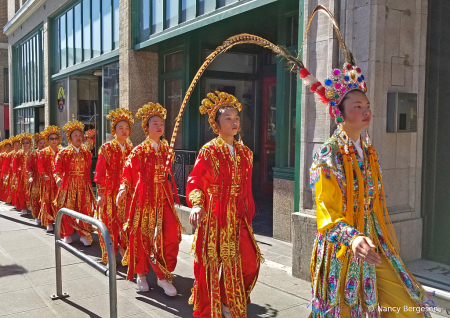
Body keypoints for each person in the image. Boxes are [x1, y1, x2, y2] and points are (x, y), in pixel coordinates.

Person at [299, 61, 432, 317]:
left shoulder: (368, 151)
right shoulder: (328, 154)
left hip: (374, 237)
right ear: (340, 113)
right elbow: (326, 213)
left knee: (409, 305)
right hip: (343, 245)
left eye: (367, 106)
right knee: (347, 308)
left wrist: (370, 234)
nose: (365, 111)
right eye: (357, 107)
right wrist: (352, 238)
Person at [186, 92, 263, 318]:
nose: (234, 121)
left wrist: (246, 211)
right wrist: (198, 204)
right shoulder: (209, 151)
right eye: (228, 118)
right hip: (214, 215)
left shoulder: (245, 153)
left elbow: (246, 187)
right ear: (216, 124)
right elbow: (196, 181)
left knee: (249, 263)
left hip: (237, 217)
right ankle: (211, 308)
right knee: (210, 266)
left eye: (236, 117)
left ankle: (227, 301)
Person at [116, 102, 183, 295]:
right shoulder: (139, 150)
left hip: (163, 198)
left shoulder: (166, 150)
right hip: (144, 199)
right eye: (155, 123)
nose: (159, 126)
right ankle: (141, 274)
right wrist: (123, 187)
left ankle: (163, 275)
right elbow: (127, 171)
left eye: (161, 123)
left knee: (170, 234)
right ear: (146, 127)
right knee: (141, 237)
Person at [94, 108, 134, 263]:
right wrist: (101, 193)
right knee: (110, 221)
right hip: (110, 191)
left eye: (127, 128)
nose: (124, 131)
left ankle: (125, 249)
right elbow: (100, 172)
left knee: (126, 221)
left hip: (127, 191)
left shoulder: (132, 149)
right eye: (120, 128)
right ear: (114, 130)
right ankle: (110, 252)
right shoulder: (106, 148)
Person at [53, 120, 96, 246]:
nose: (78, 137)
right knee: (68, 208)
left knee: (85, 208)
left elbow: (88, 170)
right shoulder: (63, 153)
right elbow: (57, 169)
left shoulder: (86, 152)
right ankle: (67, 233)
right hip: (69, 184)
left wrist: (89, 184)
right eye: (75, 135)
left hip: (83, 183)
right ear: (70, 138)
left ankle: (83, 233)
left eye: (80, 135)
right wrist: (58, 178)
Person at [38, 126, 62, 232]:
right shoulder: (43, 152)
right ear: (48, 140)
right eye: (51, 139)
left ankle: (59, 222)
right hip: (47, 181)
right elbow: (40, 166)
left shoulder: (62, 152)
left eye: (55, 138)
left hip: (58, 181)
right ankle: (49, 222)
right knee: (47, 200)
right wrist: (44, 175)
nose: (54, 141)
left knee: (59, 200)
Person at [12, 133, 34, 215]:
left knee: (30, 191)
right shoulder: (18, 154)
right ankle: (23, 207)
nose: (25, 144)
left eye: (27, 143)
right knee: (21, 192)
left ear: (30, 143)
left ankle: (30, 206)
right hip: (21, 176)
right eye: (23, 143)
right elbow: (14, 165)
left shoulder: (32, 153)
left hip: (30, 175)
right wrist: (14, 176)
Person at [28, 132, 47, 223]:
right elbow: (29, 167)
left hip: (46, 179)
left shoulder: (48, 153)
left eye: (44, 143)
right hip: (36, 179)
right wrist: (30, 176)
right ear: (37, 144)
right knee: (36, 197)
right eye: (40, 143)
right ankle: (37, 215)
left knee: (46, 197)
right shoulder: (33, 154)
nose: (42, 145)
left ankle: (47, 217)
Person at [4, 136, 21, 205]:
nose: (17, 147)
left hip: (20, 173)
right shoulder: (10, 154)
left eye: (18, 145)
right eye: (15, 145)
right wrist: (5, 174)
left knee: (19, 187)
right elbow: (6, 165)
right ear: (13, 146)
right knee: (12, 187)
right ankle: (13, 201)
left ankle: (19, 201)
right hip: (11, 173)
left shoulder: (21, 153)